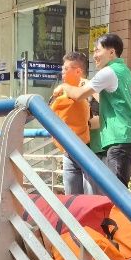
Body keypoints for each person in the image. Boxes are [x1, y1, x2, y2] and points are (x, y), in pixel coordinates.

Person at [55, 33, 131, 190]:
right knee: (117, 191)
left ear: (111, 52)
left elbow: (79, 94)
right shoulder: (125, 72)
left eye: (97, 50)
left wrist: (64, 87)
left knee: (116, 194)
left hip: (119, 139)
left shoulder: (108, 72)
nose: (94, 55)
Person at [50, 51, 93, 195]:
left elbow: (101, 118)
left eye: (66, 68)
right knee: (72, 198)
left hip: (90, 151)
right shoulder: (60, 93)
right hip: (69, 150)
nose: (62, 71)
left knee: (91, 199)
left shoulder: (91, 90)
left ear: (78, 71)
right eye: (62, 68)